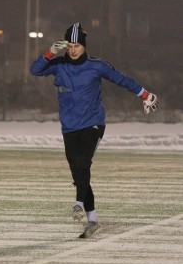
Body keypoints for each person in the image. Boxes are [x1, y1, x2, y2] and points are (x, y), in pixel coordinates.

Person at [30, 22, 158, 238]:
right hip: (69, 127)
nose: (72, 50)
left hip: (93, 123)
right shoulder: (59, 65)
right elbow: (35, 70)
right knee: (78, 173)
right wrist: (50, 52)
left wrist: (145, 95)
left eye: (77, 46)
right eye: (69, 46)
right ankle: (92, 220)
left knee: (83, 163)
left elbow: (122, 80)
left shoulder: (97, 66)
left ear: (84, 47)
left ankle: (78, 203)